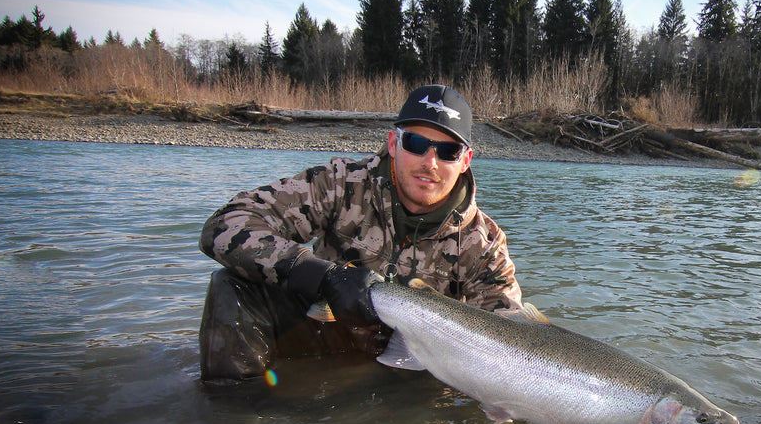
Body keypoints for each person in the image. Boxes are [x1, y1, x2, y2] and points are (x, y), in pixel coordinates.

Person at [197, 84, 523, 382]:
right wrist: (319, 275)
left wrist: (569, 408)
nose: (430, 163)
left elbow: (516, 340)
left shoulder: (485, 244)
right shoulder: (340, 184)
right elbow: (226, 223)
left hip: (416, 368)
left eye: (448, 151)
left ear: (465, 161)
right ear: (393, 144)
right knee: (232, 286)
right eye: (416, 143)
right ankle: (236, 422)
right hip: (323, 334)